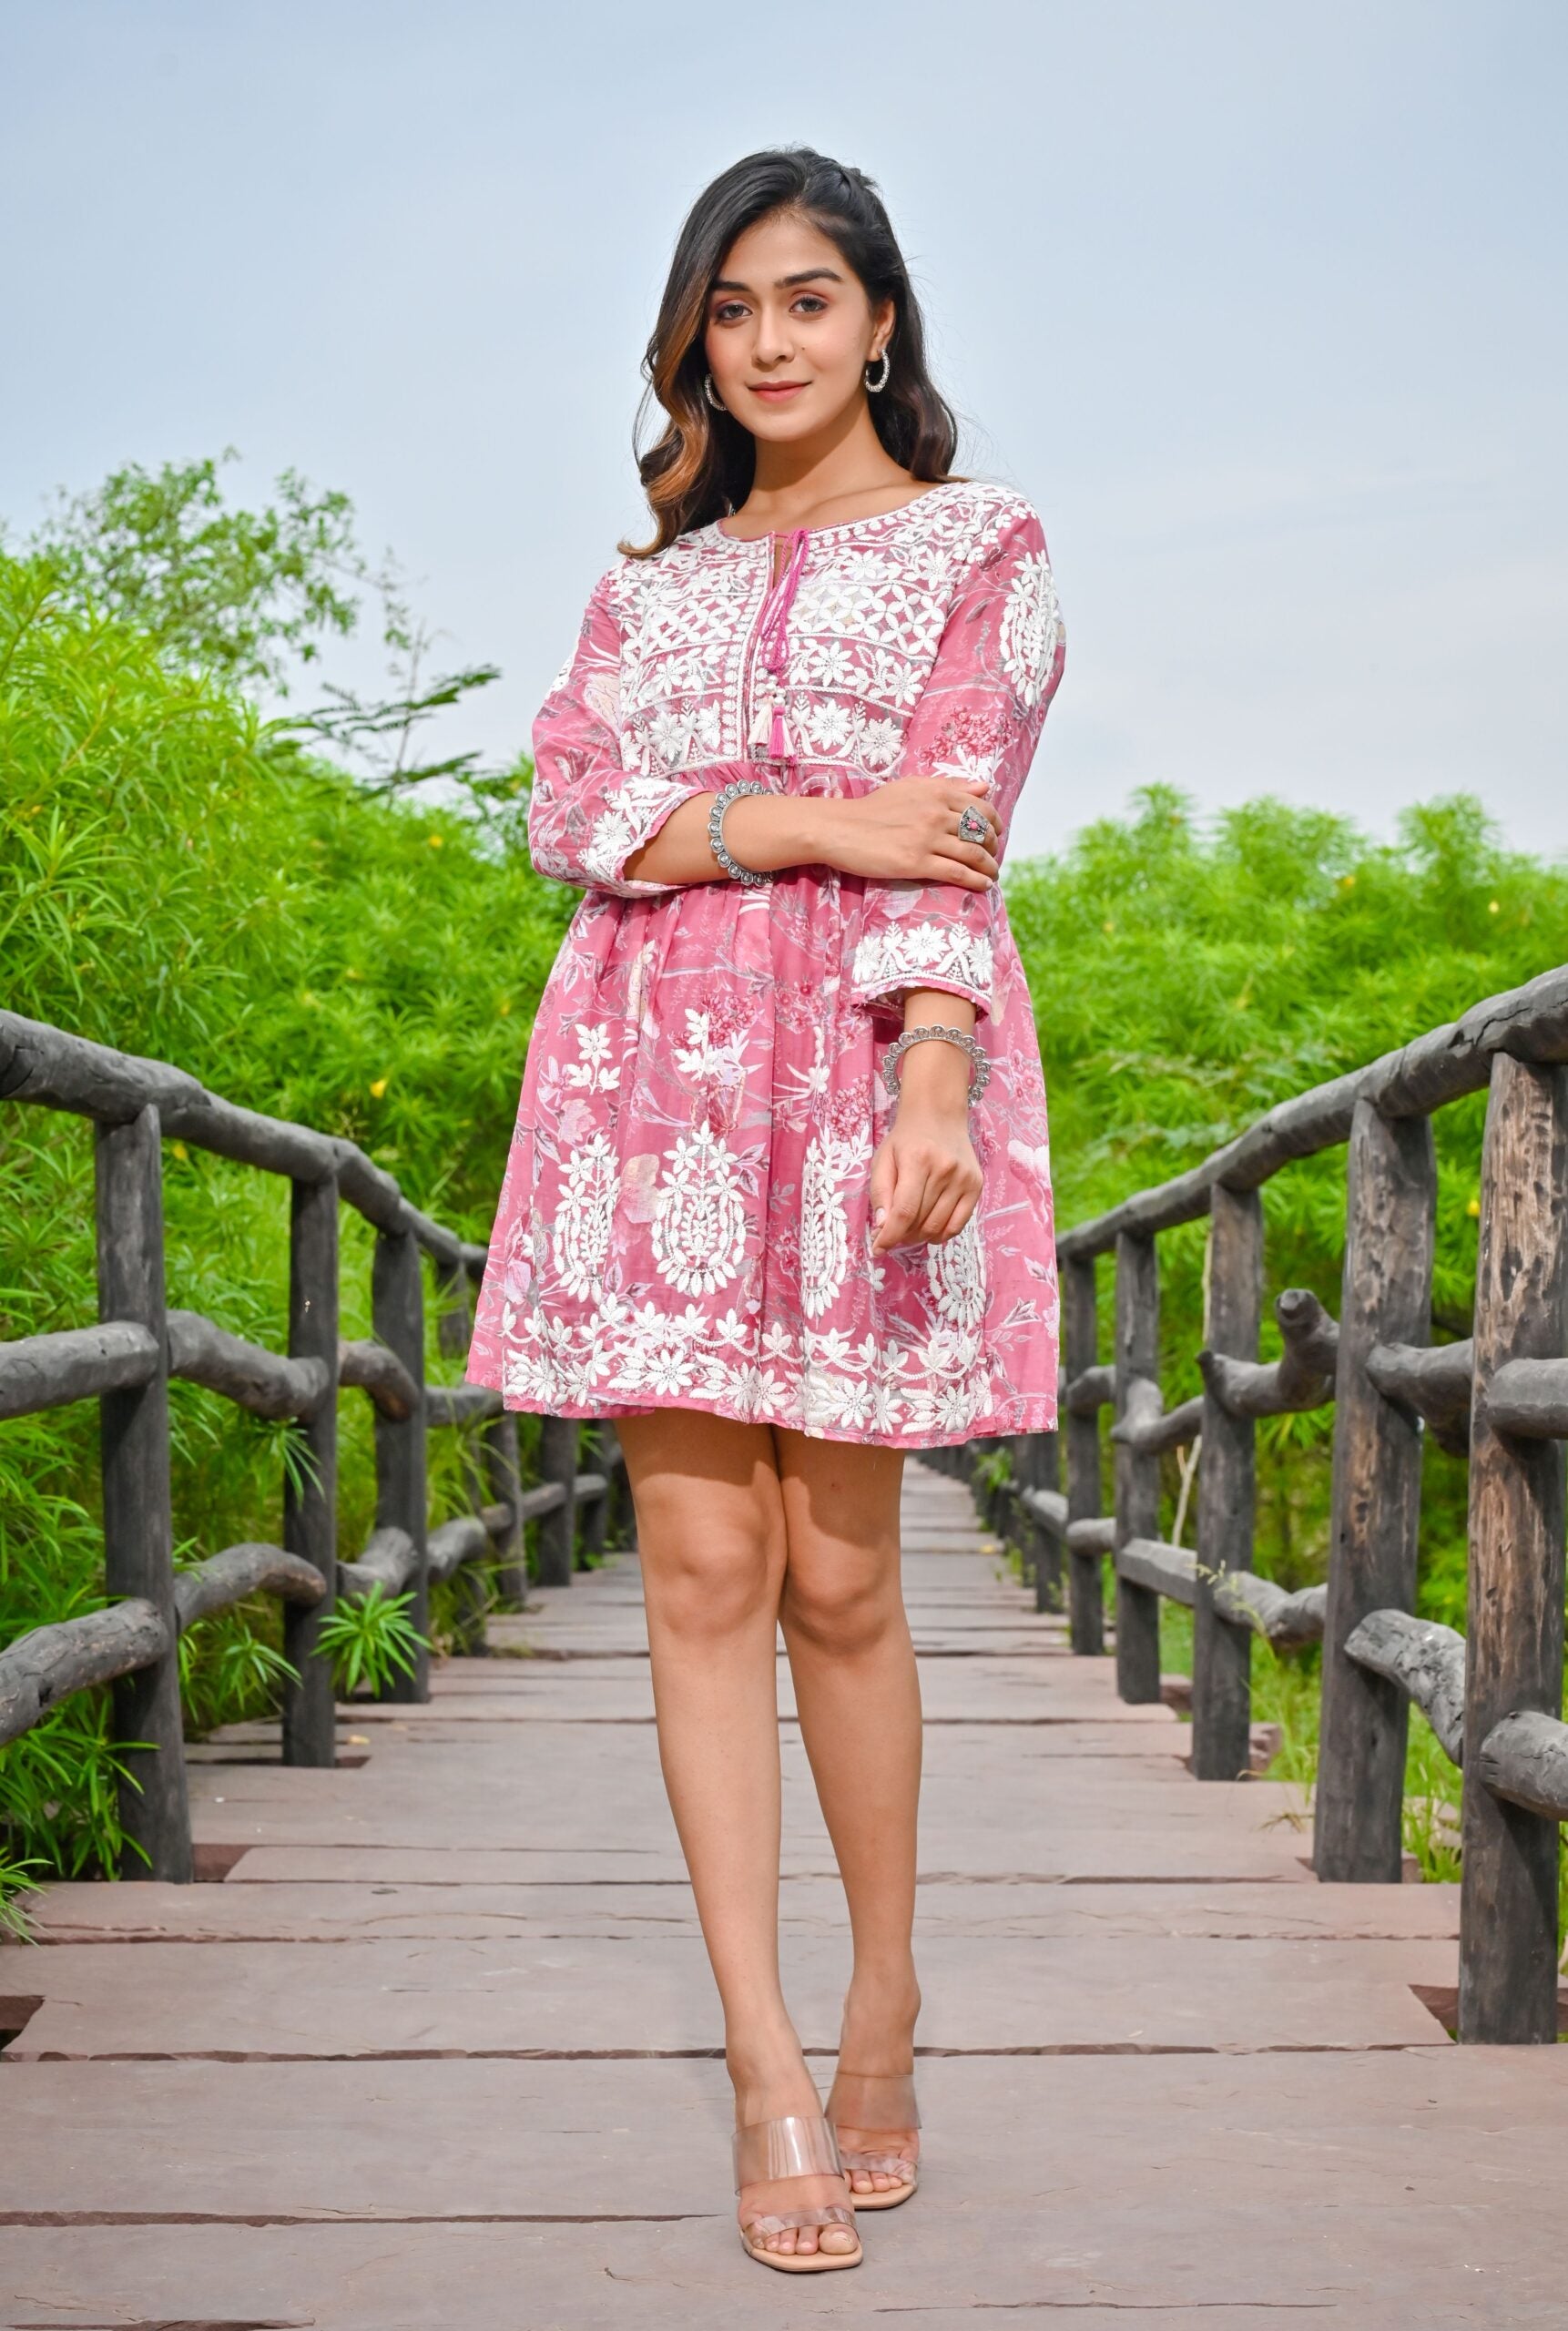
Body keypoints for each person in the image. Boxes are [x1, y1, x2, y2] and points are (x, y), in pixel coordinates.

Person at [467, 145, 1064, 2275]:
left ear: (881, 320)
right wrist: (792, 812)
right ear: (697, 338)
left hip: (865, 1074)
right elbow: (571, 804)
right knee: (700, 1561)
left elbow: (959, 830)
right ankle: (764, 2064)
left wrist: (930, 1075)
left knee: (837, 1574)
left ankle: (884, 1996)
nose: (773, 341)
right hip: (649, 1085)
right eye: (733, 309)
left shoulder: (986, 548)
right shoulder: (650, 587)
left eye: (809, 299)